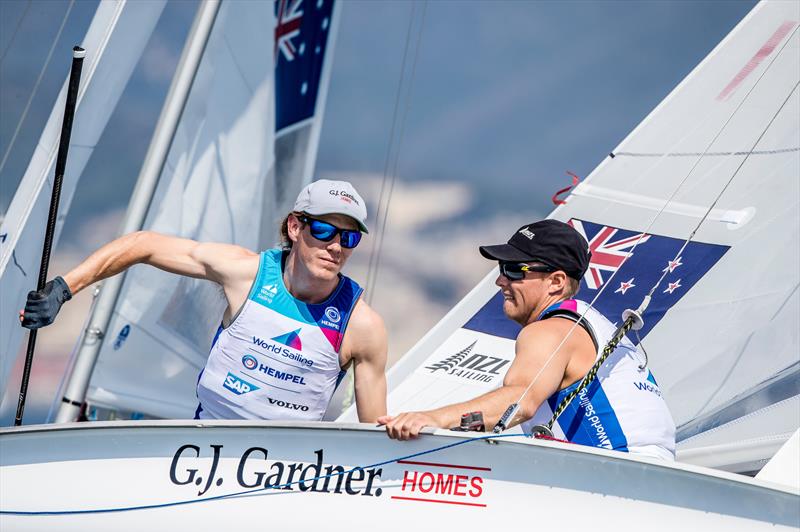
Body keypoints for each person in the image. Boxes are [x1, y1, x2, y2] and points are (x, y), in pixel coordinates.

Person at [21, 179, 388, 422]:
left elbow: (373, 439)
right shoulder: (245, 273)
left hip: (284, 477)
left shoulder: (362, 326)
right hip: (204, 452)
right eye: (324, 230)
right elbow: (143, 245)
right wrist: (63, 289)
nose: (336, 247)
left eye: (349, 238)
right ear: (295, 227)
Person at [379, 219, 675, 460]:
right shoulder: (595, 325)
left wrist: (432, 420)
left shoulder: (552, 329)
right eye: (500, 269)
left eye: (514, 270)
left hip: (623, 478)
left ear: (557, 281)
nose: (500, 280)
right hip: (649, 477)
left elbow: (519, 402)